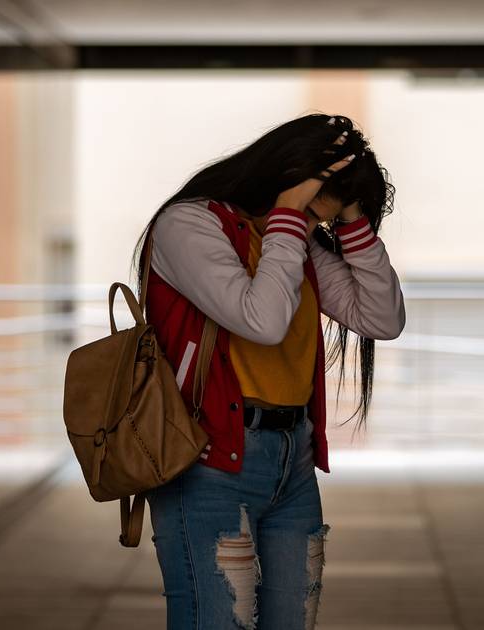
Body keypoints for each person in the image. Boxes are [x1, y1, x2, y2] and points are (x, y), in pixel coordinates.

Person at [133, 113, 406, 629]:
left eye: (320, 222)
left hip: (292, 463)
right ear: (285, 181)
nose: (311, 229)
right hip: (209, 460)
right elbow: (261, 321)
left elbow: (382, 319)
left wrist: (351, 223)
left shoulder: (291, 241)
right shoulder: (189, 225)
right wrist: (289, 216)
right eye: (310, 212)